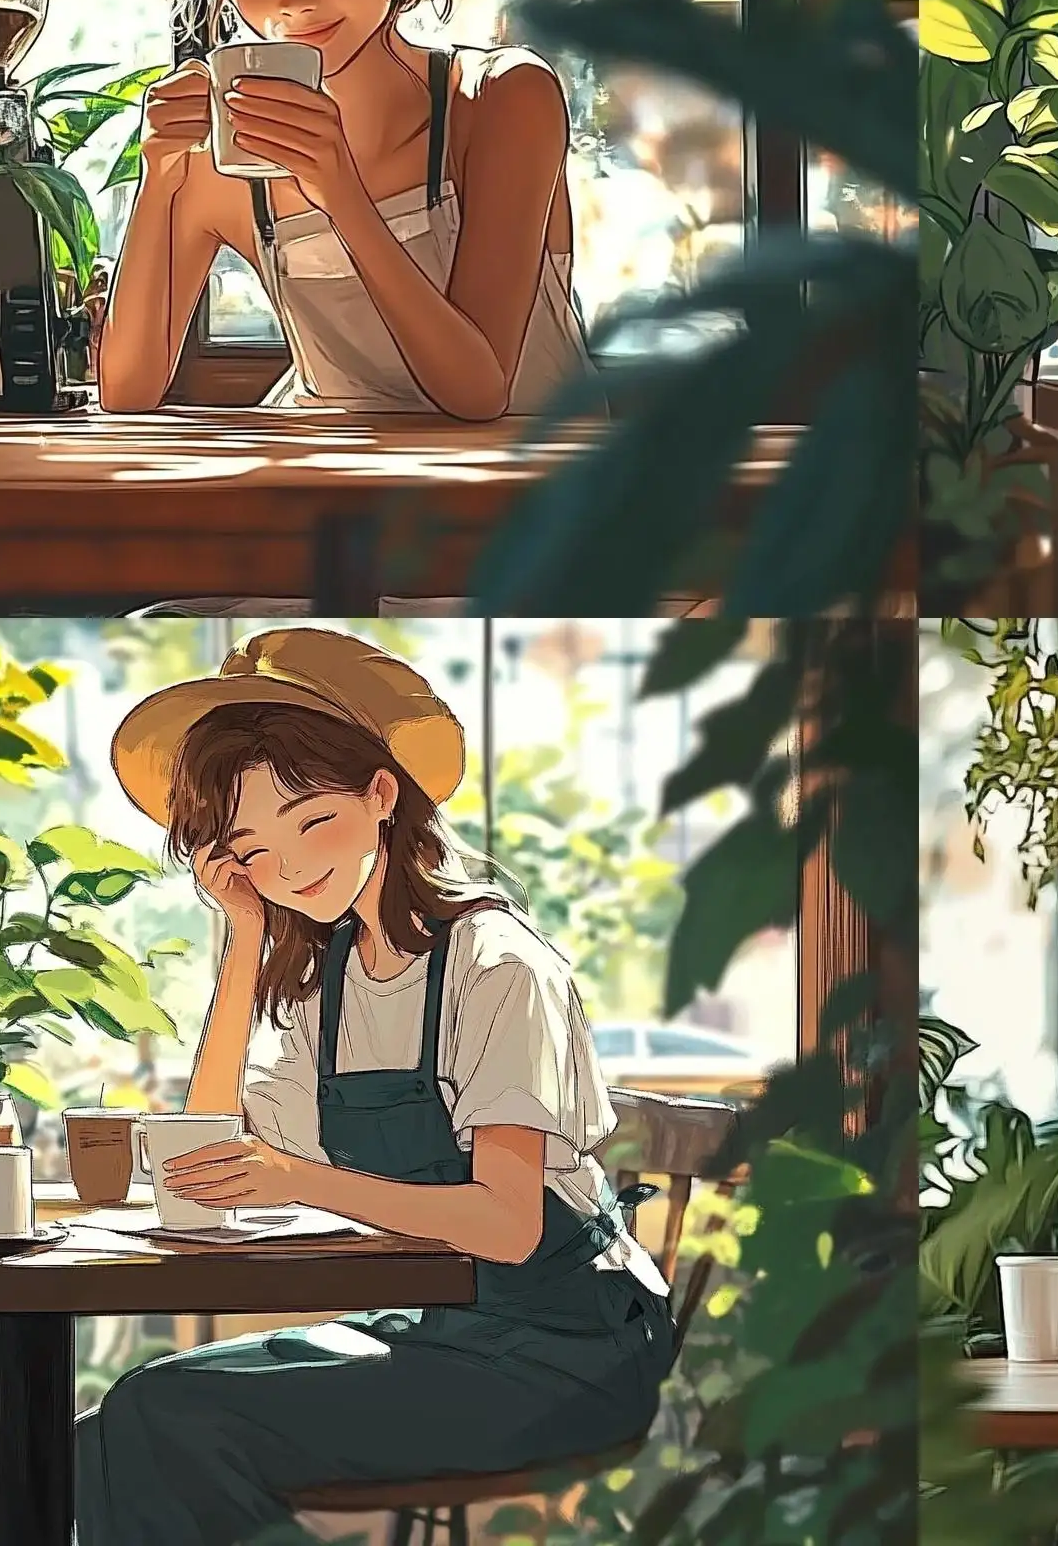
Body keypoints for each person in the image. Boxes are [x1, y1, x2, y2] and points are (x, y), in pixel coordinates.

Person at [72, 627, 674, 1543]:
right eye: (254, 853)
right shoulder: (332, 976)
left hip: (567, 1354)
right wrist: (244, 941)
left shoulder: (496, 964)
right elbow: (205, 1145)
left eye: (312, 821)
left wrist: (298, 1178)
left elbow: (509, 1226)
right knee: (62, 1450)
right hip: (445, 1331)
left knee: (166, 1414)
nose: (291, 866)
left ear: (381, 794)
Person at [100, 0, 604, 419]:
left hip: (531, 503)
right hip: (336, 500)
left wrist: (341, 192)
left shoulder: (501, 100)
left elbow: (479, 392)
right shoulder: (224, 155)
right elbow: (127, 392)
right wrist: (158, 179)